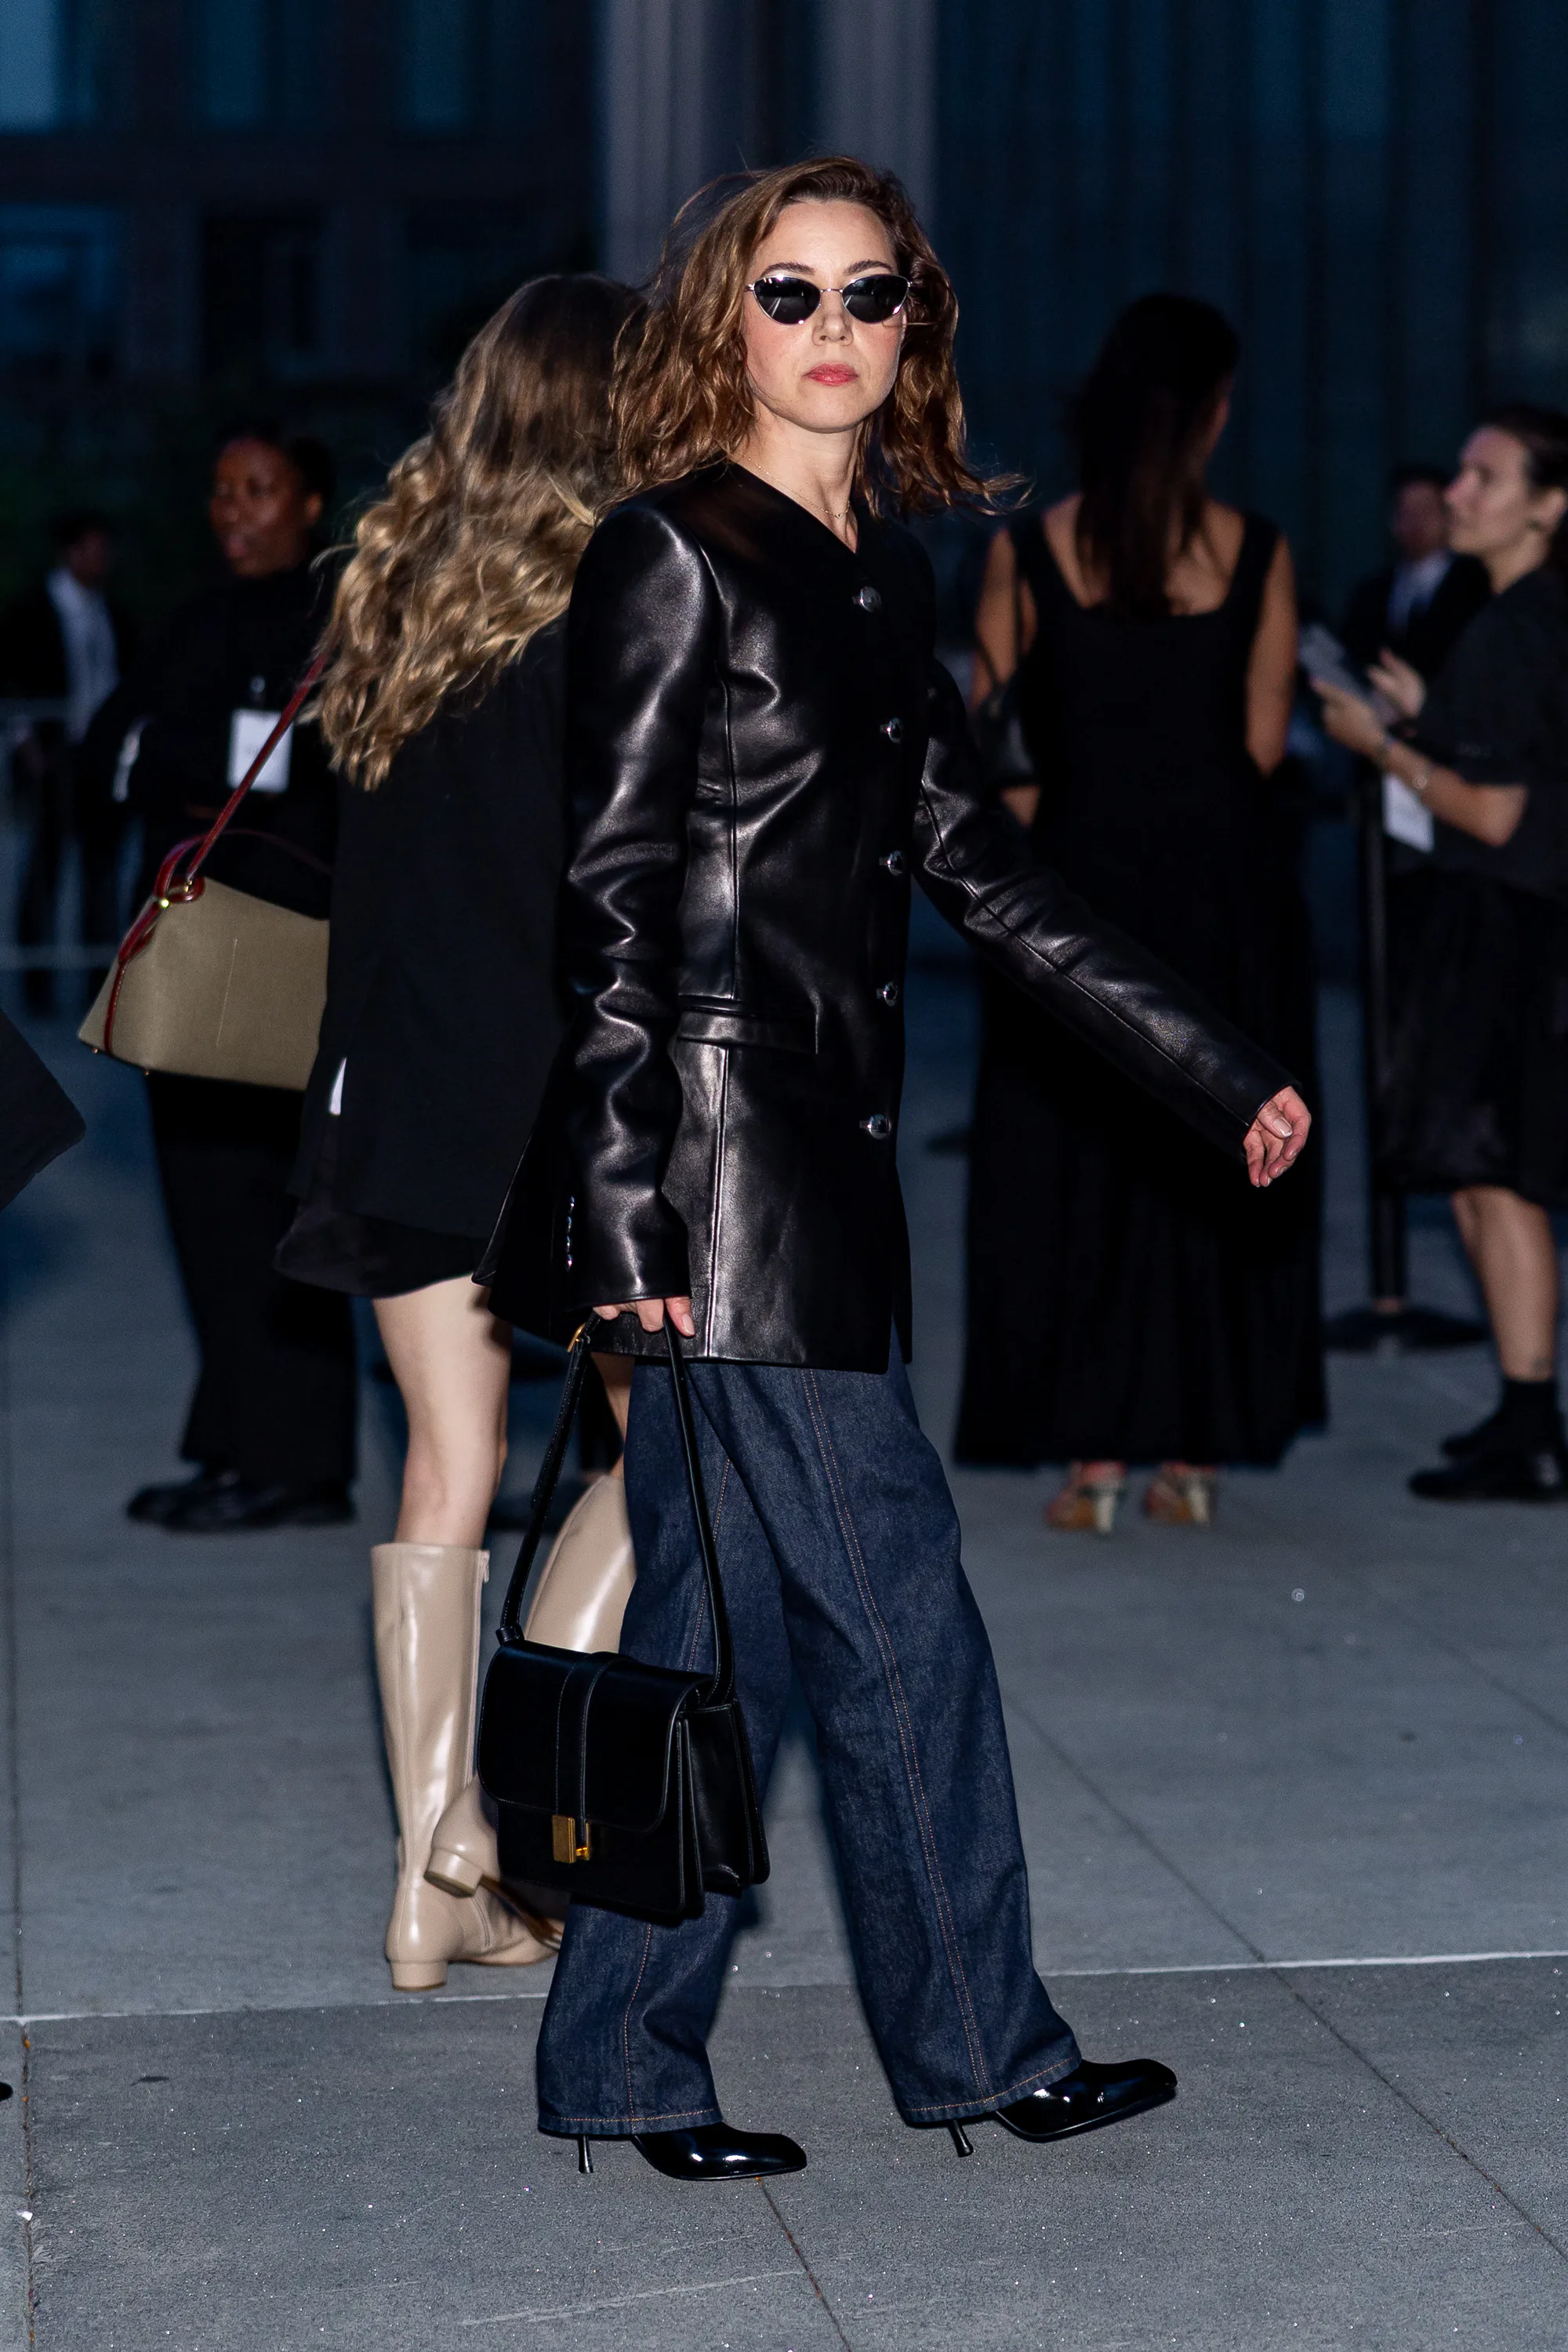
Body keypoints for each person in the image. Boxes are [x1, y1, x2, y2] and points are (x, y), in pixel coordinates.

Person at [484, 158, 1310, 2183]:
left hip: (817, 1184)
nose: (834, 329)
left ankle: (620, 2062)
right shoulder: (672, 554)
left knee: (724, 1640)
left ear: (914, 327)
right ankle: (984, 2047)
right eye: (789, 293)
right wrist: (625, 1210)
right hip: (718, 1194)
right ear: (725, 322)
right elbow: (611, 908)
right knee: (901, 1617)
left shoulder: (879, 572)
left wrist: (1211, 1068)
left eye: (874, 294)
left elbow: (985, 873)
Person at [278, 275, 643, 1991]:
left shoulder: (391, 597)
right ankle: (506, 1803)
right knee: (682, 1456)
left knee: (444, 1462)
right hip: (563, 1103)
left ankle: (438, 1877)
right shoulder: (623, 607)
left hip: (400, 1094)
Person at [954, 294, 1323, 1533]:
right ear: (1213, 416)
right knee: (1222, 1153)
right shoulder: (1258, 552)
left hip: (1078, 899)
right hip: (1224, 897)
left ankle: (1092, 1459)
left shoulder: (1031, 554)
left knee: (1077, 1162)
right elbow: (1265, 745)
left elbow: (1002, 756)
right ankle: (1195, 1452)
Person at [109, 427, 358, 1534]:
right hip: (188, 954)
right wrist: (206, 759)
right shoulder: (196, 616)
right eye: (220, 491)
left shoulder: (341, 618)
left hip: (284, 959)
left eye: (258, 490)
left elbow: (326, 771)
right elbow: (108, 751)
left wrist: (182, 756)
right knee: (202, 1208)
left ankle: (298, 1464)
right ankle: (233, 1444)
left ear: (309, 501)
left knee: (271, 1208)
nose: (233, 511)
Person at [1316, 405, 1568, 1501]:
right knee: (1480, 1179)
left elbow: (1498, 814)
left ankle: (1532, 1422)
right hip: (1512, 925)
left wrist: (1384, 748)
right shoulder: (1520, 615)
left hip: (1507, 930)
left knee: (1498, 1180)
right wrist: (1427, 718)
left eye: (1484, 478)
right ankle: (1522, 1408)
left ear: (1547, 509)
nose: (1457, 494)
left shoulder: (1518, 624)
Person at [2, 510, 132, 1011]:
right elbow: (12, 679)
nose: (102, 560)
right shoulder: (33, 609)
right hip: (51, 755)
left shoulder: (112, 611)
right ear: (71, 551)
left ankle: (98, 981)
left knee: (101, 867)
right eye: (93, 549)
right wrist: (26, 742)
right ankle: (38, 984)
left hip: (98, 755)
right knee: (44, 864)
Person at [1341, 464, 1490, 684]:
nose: (1416, 521)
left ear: (1449, 516)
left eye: (1427, 510)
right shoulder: (1371, 592)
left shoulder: (1476, 588)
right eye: (1406, 511)